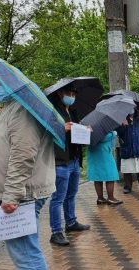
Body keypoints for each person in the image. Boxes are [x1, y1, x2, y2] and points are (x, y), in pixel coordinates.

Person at [0, 74, 54, 269]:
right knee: (25, 254)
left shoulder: (22, 110)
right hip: (17, 194)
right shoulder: (10, 110)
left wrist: (11, 195)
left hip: (21, 195)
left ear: (11, 82)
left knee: (26, 256)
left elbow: (23, 155)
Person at [48, 86, 90, 247]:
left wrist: (85, 129)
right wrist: (61, 128)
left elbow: (77, 131)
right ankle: (56, 232)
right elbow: (46, 132)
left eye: (73, 94)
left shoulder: (72, 111)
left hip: (74, 159)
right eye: (68, 94)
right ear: (60, 94)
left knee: (71, 194)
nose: (71, 97)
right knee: (58, 198)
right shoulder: (53, 111)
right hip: (60, 160)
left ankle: (71, 222)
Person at [87, 131, 122, 205]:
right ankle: (111, 198)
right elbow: (104, 137)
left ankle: (100, 198)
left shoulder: (89, 127)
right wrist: (113, 134)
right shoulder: (103, 129)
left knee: (97, 176)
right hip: (104, 153)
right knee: (110, 175)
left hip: (94, 153)